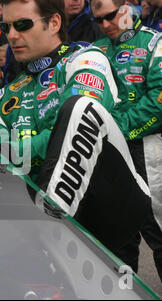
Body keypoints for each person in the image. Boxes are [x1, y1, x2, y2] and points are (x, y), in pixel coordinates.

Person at [0, 0, 151, 252]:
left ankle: (51, 220)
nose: (11, 35)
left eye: (22, 25)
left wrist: (18, 150)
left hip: (105, 214)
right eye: (5, 27)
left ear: (54, 23)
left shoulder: (86, 59)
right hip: (33, 230)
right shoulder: (1, 100)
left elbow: (78, 125)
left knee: (78, 109)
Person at [92, 0, 162, 281]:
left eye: (111, 16)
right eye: (99, 19)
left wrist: (116, 126)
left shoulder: (154, 43)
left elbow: (159, 103)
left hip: (147, 151)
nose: (106, 24)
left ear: (127, 8)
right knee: (120, 239)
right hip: (110, 155)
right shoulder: (95, 52)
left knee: (157, 232)